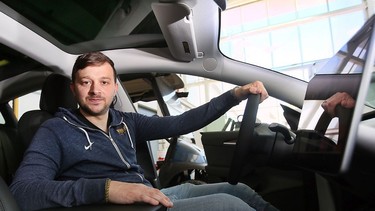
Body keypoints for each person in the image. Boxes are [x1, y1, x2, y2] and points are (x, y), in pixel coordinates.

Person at [10, 52, 277, 211]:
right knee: (227, 206)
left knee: (239, 191)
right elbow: (23, 191)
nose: (95, 90)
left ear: (115, 87)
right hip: (117, 207)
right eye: (85, 82)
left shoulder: (125, 121)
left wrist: (235, 95)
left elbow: (181, 123)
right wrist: (106, 190)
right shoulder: (54, 130)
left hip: (148, 196)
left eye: (103, 82)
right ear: (73, 89)